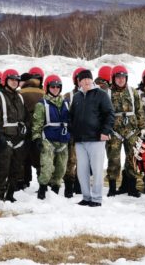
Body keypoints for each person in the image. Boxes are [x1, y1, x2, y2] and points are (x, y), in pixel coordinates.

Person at [69, 69, 115, 207]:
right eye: (83, 80)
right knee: (82, 170)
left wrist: (106, 131)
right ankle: (86, 196)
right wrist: (72, 132)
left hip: (96, 138)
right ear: (79, 82)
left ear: (92, 80)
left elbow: (109, 114)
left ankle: (96, 198)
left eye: (89, 79)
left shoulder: (101, 94)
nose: (87, 82)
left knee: (96, 169)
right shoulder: (76, 97)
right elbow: (72, 116)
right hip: (80, 140)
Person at [106, 65, 145, 197]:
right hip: (114, 132)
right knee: (114, 159)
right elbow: (103, 113)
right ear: (113, 78)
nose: (121, 80)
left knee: (132, 159)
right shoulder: (107, 93)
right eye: (118, 77)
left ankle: (131, 187)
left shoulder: (133, 92)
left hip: (131, 131)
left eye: (123, 77)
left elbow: (139, 110)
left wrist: (142, 128)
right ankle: (112, 187)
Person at [0, 69, 28, 202]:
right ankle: (0, 195)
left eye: (16, 80)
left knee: (16, 169)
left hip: (19, 140)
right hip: (4, 139)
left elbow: (25, 116)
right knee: (2, 169)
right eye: (11, 80)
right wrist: (0, 137)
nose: (14, 82)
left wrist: (24, 128)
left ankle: (10, 194)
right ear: (5, 81)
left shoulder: (20, 97)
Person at [32, 75, 70, 199]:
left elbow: (72, 120)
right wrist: (37, 138)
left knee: (61, 169)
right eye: (52, 86)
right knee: (47, 167)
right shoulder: (42, 104)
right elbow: (37, 124)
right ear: (47, 88)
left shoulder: (66, 103)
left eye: (57, 87)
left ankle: (55, 192)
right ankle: (42, 190)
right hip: (48, 139)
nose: (55, 89)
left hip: (63, 139)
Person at [19, 67, 45, 189]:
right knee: (39, 157)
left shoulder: (20, 93)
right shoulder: (43, 93)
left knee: (23, 157)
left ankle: (23, 182)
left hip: (25, 128)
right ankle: (43, 183)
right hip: (40, 129)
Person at [63, 67, 86, 198]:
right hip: (73, 133)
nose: (81, 81)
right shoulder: (68, 96)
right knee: (71, 160)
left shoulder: (94, 94)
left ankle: (80, 184)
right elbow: (63, 114)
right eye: (79, 79)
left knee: (84, 161)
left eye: (84, 79)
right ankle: (68, 186)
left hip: (87, 134)